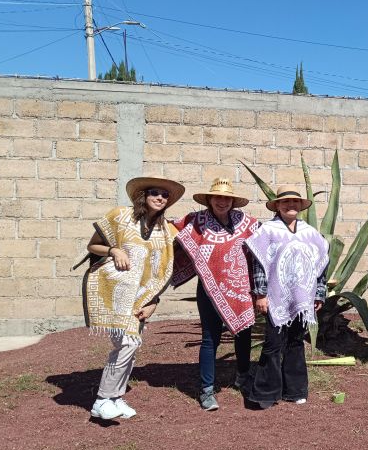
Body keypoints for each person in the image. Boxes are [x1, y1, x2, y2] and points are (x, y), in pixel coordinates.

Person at [83, 176, 184, 420]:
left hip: (139, 297)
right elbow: (92, 246)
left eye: (165, 195)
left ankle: (115, 398)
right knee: (126, 344)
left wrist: (153, 301)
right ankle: (102, 400)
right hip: (113, 291)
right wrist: (114, 249)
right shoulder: (120, 216)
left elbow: (164, 269)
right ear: (143, 195)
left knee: (132, 344)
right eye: (155, 193)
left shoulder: (166, 230)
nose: (160, 197)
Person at [172, 178, 259, 411]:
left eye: (227, 198)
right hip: (210, 290)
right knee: (210, 338)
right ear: (209, 199)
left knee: (243, 333)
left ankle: (243, 376)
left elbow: (264, 244)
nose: (222, 202)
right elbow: (171, 231)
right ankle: (207, 389)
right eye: (218, 197)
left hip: (241, 289)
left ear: (233, 201)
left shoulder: (246, 222)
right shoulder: (197, 222)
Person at [243, 185, 329, 409]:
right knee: (273, 343)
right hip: (276, 297)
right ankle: (266, 392)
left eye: (295, 202)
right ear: (278, 206)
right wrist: (260, 294)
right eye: (285, 202)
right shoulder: (267, 230)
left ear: (301, 206)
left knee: (296, 341)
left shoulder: (310, 232)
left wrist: (319, 293)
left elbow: (321, 264)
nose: (290, 205)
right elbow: (259, 263)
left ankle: (295, 390)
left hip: (302, 298)